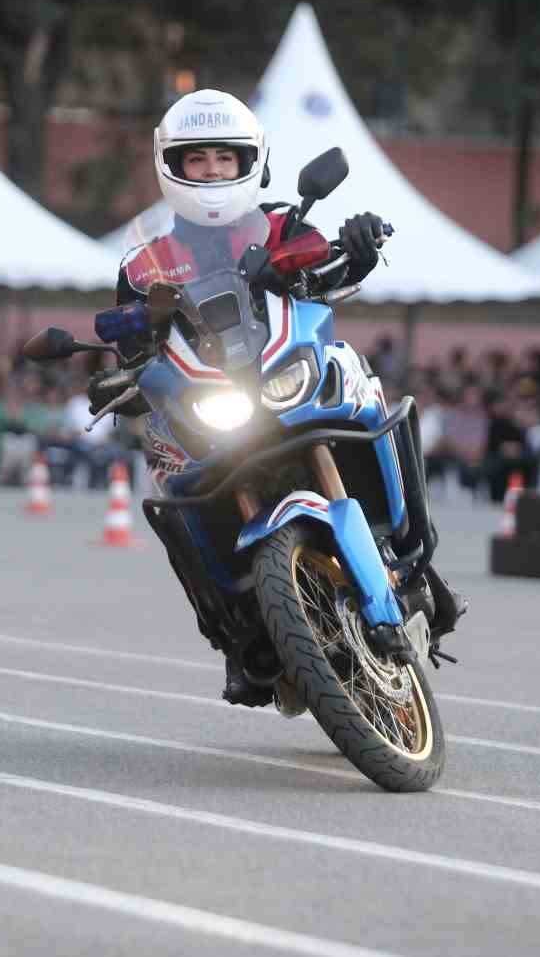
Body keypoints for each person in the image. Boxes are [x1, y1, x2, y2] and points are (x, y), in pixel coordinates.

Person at [90, 88, 464, 706]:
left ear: (249, 162)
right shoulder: (143, 266)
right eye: (197, 159)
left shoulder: (284, 224)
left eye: (224, 158)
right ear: (172, 168)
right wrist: (116, 373)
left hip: (290, 371)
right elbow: (129, 343)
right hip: (212, 402)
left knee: (367, 388)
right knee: (169, 483)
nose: (212, 171)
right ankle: (235, 633)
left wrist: (360, 246)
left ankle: (412, 555)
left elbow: (333, 269)